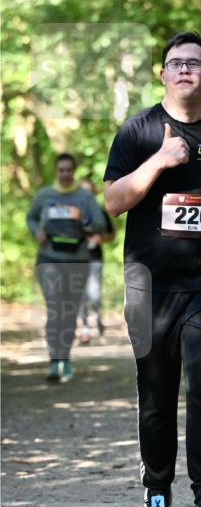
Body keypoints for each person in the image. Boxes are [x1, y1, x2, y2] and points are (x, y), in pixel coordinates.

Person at [103, 31, 201, 507]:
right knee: (157, 389)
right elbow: (113, 202)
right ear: (161, 74)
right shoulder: (138, 131)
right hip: (148, 283)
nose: (185, 70)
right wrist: (160, 161)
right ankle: (157, 493)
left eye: (195, 63)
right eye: (175, 63)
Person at [27, 153, 107, 382]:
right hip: (48, 259)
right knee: (54, 308)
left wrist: (84, 220)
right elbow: (31, 217)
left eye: (68, 170)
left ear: (74, 171)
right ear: (56, 171)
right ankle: (54, 361)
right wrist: (37, 233)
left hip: (77, 260)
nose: (65, 174)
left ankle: (66, 359)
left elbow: (100, 223)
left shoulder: (84, 197)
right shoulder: (45, 195)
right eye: (61, 170)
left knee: (69, 311)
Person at [78, 177, 115, 344]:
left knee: (94, 295)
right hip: (76, 259)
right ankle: (85, 327)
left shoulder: (100, 212)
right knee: (80, 295)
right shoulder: (73, 212)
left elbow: (111, 234)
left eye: (89, 191)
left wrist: (101, 238)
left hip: (95, 259)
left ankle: (97, 318)